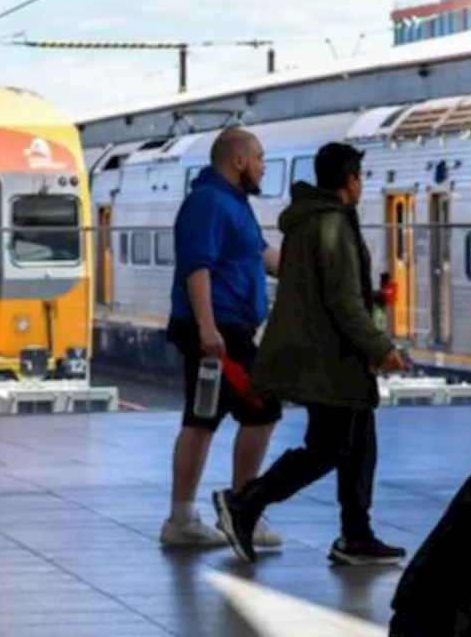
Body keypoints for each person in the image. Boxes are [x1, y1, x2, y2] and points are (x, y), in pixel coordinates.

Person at [211, 141, 410, 566]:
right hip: (328, 359)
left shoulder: (310, 220)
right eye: (360, 177)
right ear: (349, 181)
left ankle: (356, 537)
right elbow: (341, 302)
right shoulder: (333, 224)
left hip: (325, 353)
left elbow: (324, 290)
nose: (362, 185)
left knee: (358, 445)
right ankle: (245, 504)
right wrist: (382, 348)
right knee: (328, 447)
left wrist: (371, 295)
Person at [161, 127, 284, 549]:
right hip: (219, 330)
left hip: (222, 328)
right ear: (239, 161)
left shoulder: (233, 203)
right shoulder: (209, 203)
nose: (263, 166)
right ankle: (242, 509)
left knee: (201, 421)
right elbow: (198, 268)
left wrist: (311, 270)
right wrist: (208, 329)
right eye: (260, 159)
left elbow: (262, 255)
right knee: (262, 410)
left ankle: (182, 519)